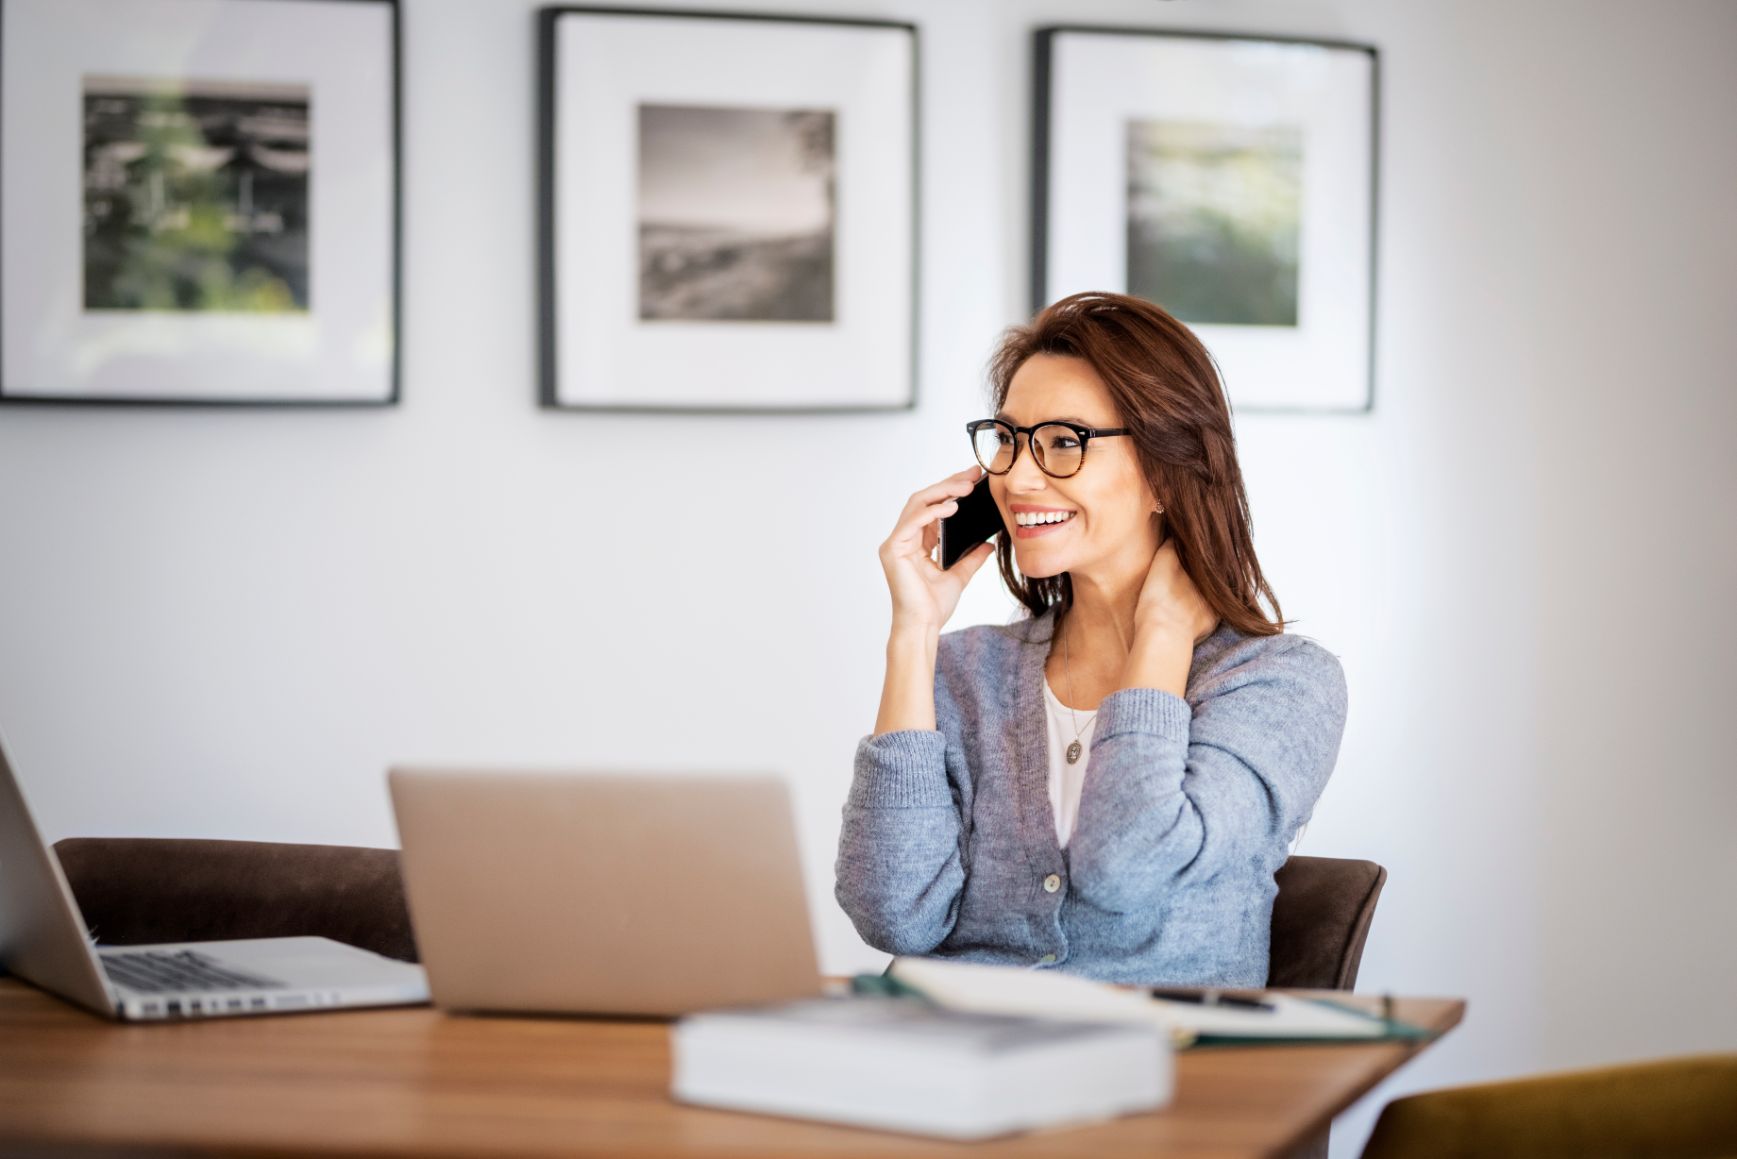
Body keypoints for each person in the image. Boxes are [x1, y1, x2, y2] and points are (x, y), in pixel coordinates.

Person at [834, 291, 1348, 986]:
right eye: (1010, 438)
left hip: (1164, 1076)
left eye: (1063, 442)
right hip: (952, 1064)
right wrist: (913, 632)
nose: (1015, 476)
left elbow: (1127, 865)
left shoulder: (1278, 684)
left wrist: (1160, 639)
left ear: (1168, 470)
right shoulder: (962, 669)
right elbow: (893, 914)